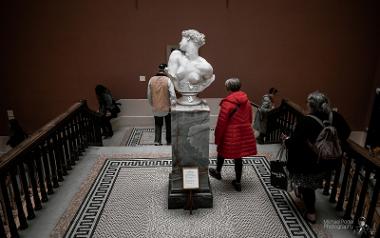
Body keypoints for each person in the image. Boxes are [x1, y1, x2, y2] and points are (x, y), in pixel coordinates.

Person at [284, 91, 351, 223]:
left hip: (309, 163)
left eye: (307, 103)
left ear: (311, 106)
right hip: (329, 162)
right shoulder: (335, 117)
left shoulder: (307, 121)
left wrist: (286, 140)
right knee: (309, 183)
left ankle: (311, 213)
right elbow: (347, 132)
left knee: (308, 186)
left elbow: (295, 142)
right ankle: (301, 191)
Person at [209, 78, 257, 191]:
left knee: (221, 152)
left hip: (230, 133)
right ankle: (238, 182)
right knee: (238, 157)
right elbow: (249, 119)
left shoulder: (227, 103)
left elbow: (221, 122)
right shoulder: (247, 101)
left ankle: (218, 172)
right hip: (243, 132)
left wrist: (217, 136)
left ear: (228, 87)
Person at [166, 29, 215, 95]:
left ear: (188, 38)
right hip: (180, 100)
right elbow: (171, 76)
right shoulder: (176, 56)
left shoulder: (206, 67)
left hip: (194, 100)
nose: (180, 43)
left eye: (182, 39)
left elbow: (208, 80)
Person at [147, 63, 176, 145]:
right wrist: (173, 105)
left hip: (156, 107)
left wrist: (152, 104)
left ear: (159, 69)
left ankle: (157, 141)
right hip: (167, 107)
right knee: (168, 125)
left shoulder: (151, 79)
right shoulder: (168, 80)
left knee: (158, 124)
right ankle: (169, 141)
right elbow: (173, 95)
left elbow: (149, 95)